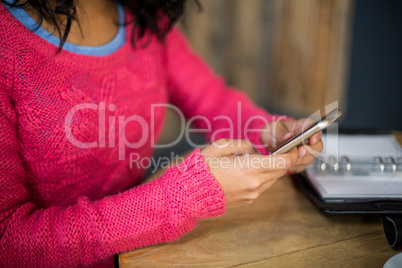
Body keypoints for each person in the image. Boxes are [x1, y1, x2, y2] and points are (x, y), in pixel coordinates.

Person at [0, 0, 323, 267]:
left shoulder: (144, 15)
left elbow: (212, 100)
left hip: (143, 255)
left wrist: (268, 132)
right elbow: (8, 241)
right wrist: (184, 196)